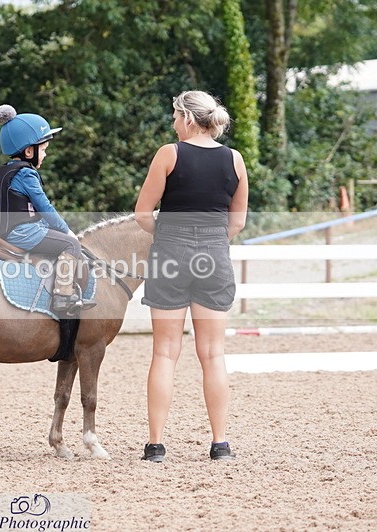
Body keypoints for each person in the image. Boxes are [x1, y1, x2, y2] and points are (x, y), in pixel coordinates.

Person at [134, 91, 249, 462]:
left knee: (165, 352)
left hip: (170, 254)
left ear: (186, 117)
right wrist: (210, 240)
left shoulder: (169, 154)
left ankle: (155, 446)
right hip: (214, 256)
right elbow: (237, 222)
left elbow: (142, 214)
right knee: (213, 354)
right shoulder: (234, 159)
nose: (172, 123)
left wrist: (171, 236)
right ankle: (220, 444)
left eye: (174, 115)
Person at [0, 104, 95, 316]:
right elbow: (45, 207)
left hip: (7, 231)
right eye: (44, 149)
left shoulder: (6, 171)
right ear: (29, 151)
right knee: (71, 245)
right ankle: (62, 296)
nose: (46, 154)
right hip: (24, 233)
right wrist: (66, 231)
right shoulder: (26, 174)